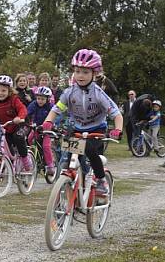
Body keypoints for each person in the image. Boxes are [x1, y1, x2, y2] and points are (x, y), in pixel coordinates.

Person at [42, 49, 123, 200]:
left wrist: (117, 129)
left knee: (91, 153)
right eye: (77, 71)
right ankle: (65, 189)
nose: (80, 75)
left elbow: (116, 114)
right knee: (66, 160)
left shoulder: (99, 93)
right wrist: (48, 121)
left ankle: (100, 180)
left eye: (85, 72)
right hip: (76, 128)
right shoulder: (69, 92)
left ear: (94, 73)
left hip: (96, 129)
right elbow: (56, 109)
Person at [0, 75, 32, 172]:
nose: (0, 93)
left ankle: (26, 159)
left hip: (21, 124)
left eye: (3, 91)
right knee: (5, 144)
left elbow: (22, 109)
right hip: (8, 128)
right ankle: (9, 166)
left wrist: (19, 117)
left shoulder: (14, 99)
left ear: (9, 91)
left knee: (18, 137)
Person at [27, 85, 56, 176]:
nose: (40, 101)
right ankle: (32, 158)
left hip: (47, 128)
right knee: (29, 139)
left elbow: (56, 116)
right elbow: (27, 113)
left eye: (42, 99)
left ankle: (50, 165)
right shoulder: (33, 104)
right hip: (36, 127)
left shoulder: (50, 106)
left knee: (46, 146)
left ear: (47, 99)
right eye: (38, 98)